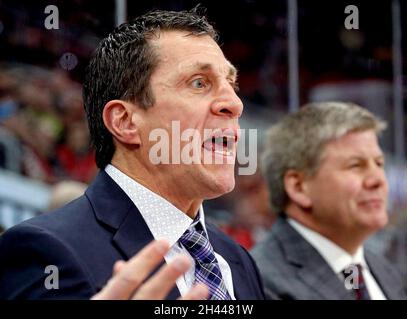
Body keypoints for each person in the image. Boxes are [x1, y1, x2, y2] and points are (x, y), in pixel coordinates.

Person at [0, 7, 265, 300]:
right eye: (199, 83)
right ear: (125, 122)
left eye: (232, 84)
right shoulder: (45, 251)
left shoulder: (238, 260)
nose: (234, 103)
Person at [251, 101, 407, 300]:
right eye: (356, 165)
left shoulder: (384, 270)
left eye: (379, 164)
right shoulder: (258, 282)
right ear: (299, 187)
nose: (377, 180)